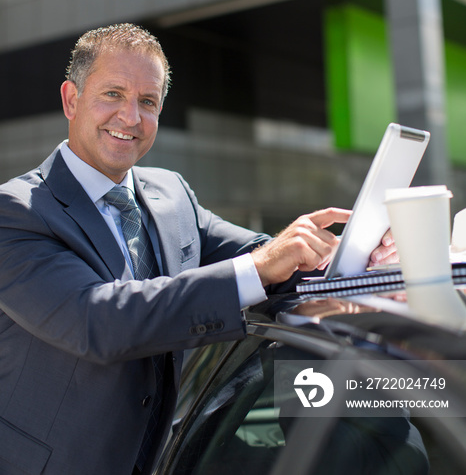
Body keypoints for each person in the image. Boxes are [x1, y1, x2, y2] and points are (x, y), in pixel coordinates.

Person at [0, 24, 397, 475]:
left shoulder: (171, 193)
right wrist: (262, 264)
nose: (131, 117)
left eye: (147, 102)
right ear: (71, 99)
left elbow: (260, 255)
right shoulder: (16, 211)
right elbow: (97, 321)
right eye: (113, 94)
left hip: (165, 459)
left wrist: (354, 260)